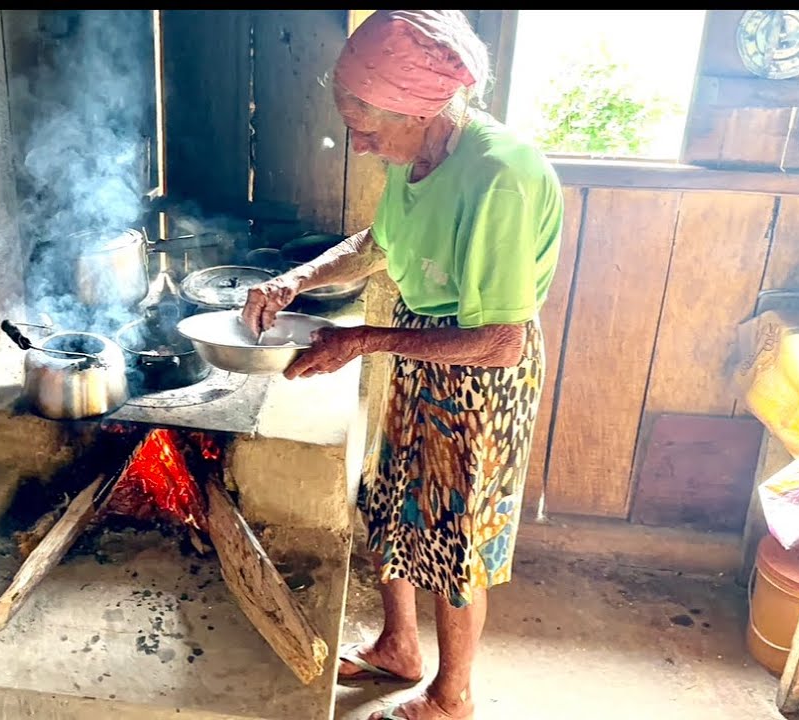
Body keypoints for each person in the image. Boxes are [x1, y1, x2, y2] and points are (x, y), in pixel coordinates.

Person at [241, 10, 564, 720]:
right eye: (351, 120)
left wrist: (361, 340)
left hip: (483, 373)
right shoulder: (419, 157)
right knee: (392, 502)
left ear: (420, 108)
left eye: (368, 123)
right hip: (420, 342)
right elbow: (378, 243)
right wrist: (295, 280)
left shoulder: (498, 177)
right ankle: (398, 648)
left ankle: (453, 696)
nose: (358, 141)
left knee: (453, 536)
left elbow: (502, 340)